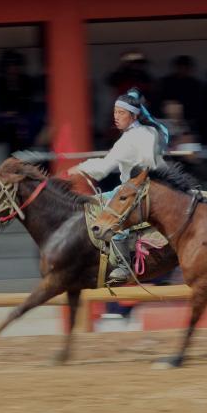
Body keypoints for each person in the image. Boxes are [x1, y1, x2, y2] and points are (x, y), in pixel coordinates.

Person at [68, 88, 169, 283]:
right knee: (94, 202)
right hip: (138, 185)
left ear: (133, 115)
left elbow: (103, 168)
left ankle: (123, 265)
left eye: (121, 113)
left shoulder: (131, 139)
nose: (116, 116)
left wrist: (79, 168)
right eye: (115, 112)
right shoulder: (148, 130)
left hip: (141, 188)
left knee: (111, 214)